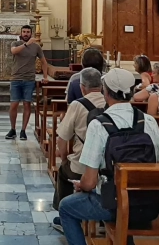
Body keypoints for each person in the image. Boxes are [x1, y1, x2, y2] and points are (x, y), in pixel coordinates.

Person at [58, 68, 159, 244]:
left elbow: (90, 181)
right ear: (132, 92)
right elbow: (157, 159)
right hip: (147, 204)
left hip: (113, 204)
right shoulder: (149, 121)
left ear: (105, 92)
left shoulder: (98, 125)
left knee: (66, 208)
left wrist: (82, 185)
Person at [51, 68, 104, 227]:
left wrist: (65, 156)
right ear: (102, 86)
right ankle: (101, 218)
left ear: (82, 87)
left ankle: (64, 215)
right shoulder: (110, 102)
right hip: (107, 165)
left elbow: (62, 138)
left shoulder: (77, 105)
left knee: (63, 171)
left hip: (82, 166)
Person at [7, 25, 49, 140]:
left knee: (27, 104)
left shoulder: (36, 47)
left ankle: (23, 130)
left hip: (29, 79)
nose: (26, 34)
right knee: (14, 104)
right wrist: (26, 44)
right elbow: (14, 51)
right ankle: (12, 129)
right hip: (16, 78)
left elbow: (44, 62)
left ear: (31, 33)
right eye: (24, 32)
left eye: (28, 32)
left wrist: (45, 77)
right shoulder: (16, 44)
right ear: (21, 33)